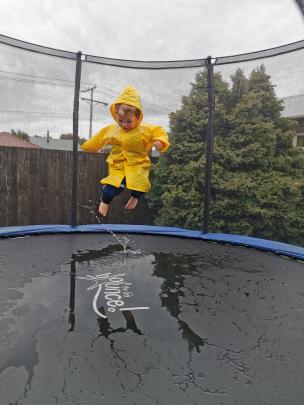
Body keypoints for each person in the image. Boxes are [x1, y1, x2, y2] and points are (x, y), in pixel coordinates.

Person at [81, 85, 170, 217]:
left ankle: (135, 198)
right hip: (118, 164)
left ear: (137, 117)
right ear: (116, 116)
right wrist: (87, 147)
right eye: (121, 120)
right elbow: (98, 138)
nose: (124, 124)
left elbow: (159, 132)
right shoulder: (113, 129)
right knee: (113, 186)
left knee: (140, 185)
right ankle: (104, 202)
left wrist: (160, 142)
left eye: (129, 121)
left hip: (137, 164)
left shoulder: (144, 129)